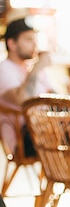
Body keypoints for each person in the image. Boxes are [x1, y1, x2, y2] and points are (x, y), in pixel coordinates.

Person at [0, 17, 55, 157]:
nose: (35, 44)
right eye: (29, 39)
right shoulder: (4, 69)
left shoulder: (31, 68)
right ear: (12, 44)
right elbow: (22, 100)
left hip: (47, 127)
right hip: (23, 138)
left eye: (35, 39)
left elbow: (54, 96)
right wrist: (36, 69)